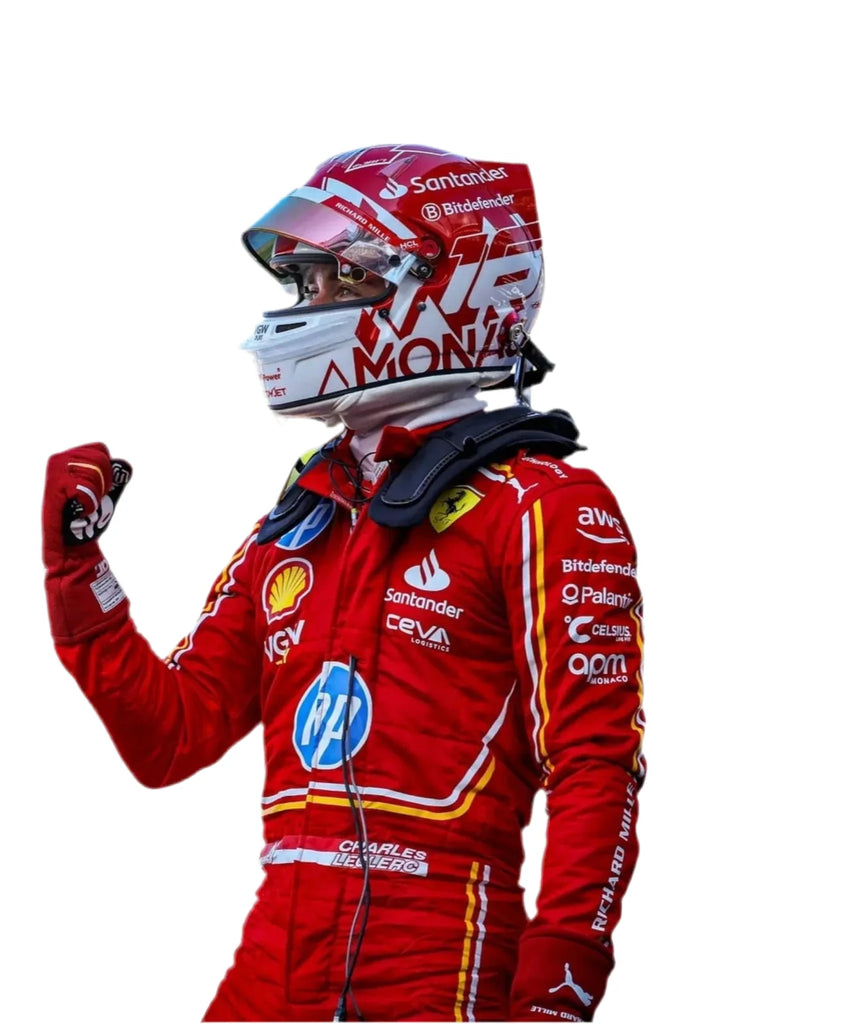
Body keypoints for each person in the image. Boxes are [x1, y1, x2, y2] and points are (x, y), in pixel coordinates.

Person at [41, 144, 646, 1022]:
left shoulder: (546, 505)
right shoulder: (304, 514)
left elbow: (598, 762)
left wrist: (562, 980)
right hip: (274, 952)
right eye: (304, 283)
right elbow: (169, 738)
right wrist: (79, 571)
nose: (308, 306)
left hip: (440, 954)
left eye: (334, 280)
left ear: (442, 286)